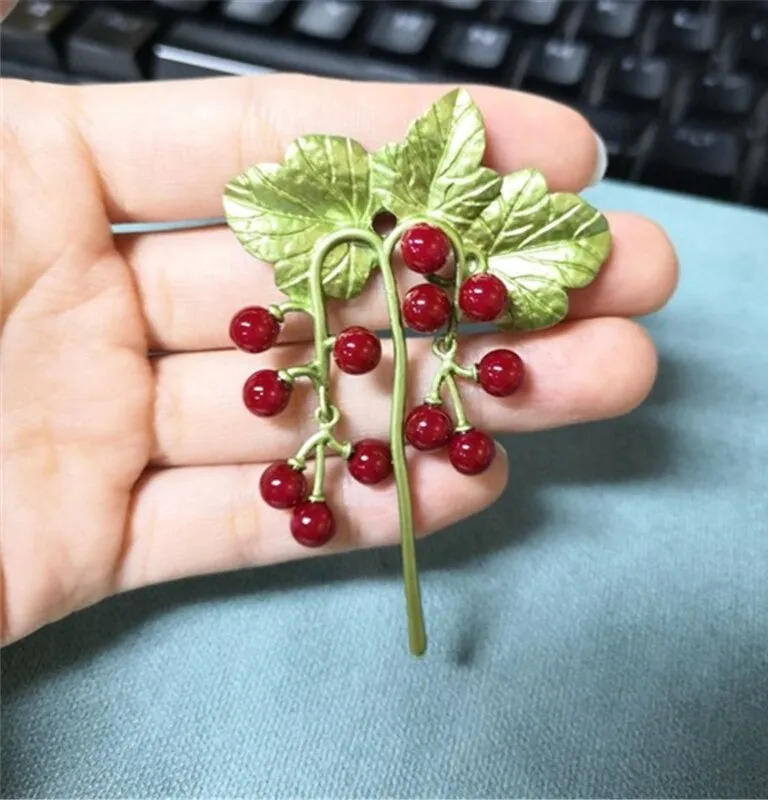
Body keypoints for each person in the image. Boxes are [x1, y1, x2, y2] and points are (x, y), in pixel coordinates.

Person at [0, 74, 678, 646]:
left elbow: (444, 305)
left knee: (443, 439)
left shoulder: (439, 274)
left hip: (425, 278)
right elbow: (269, 233)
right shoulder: (342, 299)